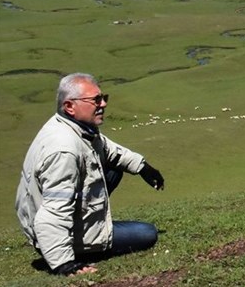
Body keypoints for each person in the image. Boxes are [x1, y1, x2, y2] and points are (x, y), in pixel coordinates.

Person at [15, 73, 166, 275]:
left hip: (59, 218)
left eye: (104, 98)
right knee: (147, 233)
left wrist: (142, 167)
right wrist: (63, 264)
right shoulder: (64, 150)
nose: (103, 104)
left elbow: (104, 148)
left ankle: (89, 234)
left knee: (113, 168)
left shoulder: (73, 127)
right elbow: (52, 212)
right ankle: (83, 247)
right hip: (51, 234)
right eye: (95, 100)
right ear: (70, 106)